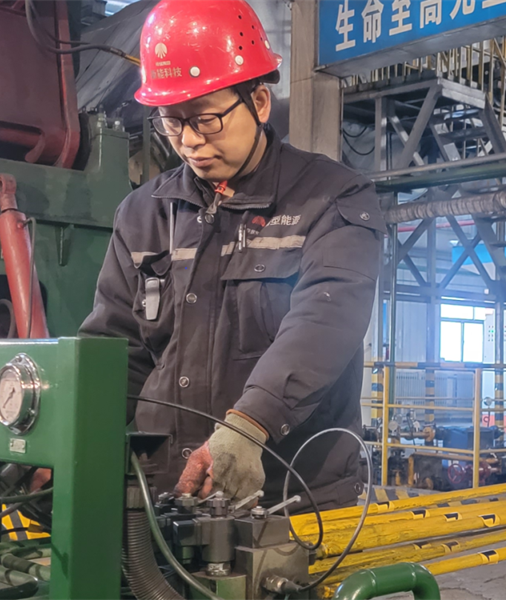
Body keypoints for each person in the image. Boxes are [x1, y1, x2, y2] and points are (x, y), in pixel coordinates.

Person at [80, 0, 385, 511]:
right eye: (172, 122)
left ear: (259, 103)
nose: (190, 142)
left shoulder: (331, 198)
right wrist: (68, 431)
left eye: (207, 119)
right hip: (167, 493)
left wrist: (250, 424)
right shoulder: (143, 214)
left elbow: (324, 322)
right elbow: (117, 347)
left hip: (289, 496)